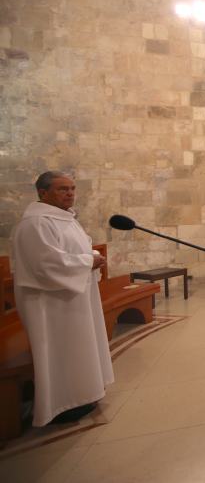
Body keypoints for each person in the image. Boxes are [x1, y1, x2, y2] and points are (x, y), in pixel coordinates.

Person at [11, 171, 114, 426]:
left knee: (77, 347)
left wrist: (89, 256)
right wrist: (88, 260)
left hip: (73, 298)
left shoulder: (64, 218)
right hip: (50, 304)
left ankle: (81, 394)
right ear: (43, 193)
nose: (70, 194)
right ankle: (61, 404)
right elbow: (45, 264)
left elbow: (70, 251)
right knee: (59, 351)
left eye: (72, 188)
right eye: (62, 189)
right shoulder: (35, 223)